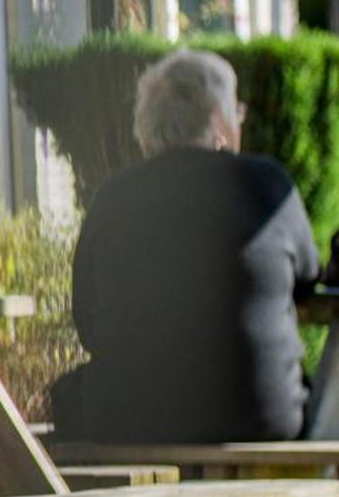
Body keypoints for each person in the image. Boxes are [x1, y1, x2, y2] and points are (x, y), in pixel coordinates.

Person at [52, 48, 339, 443]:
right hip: (258, 422)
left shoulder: (112, 198)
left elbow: (87, 321)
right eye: (237, 111)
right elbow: (307, 280)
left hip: (129, 424)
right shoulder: (265, 185)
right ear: (218, 120)